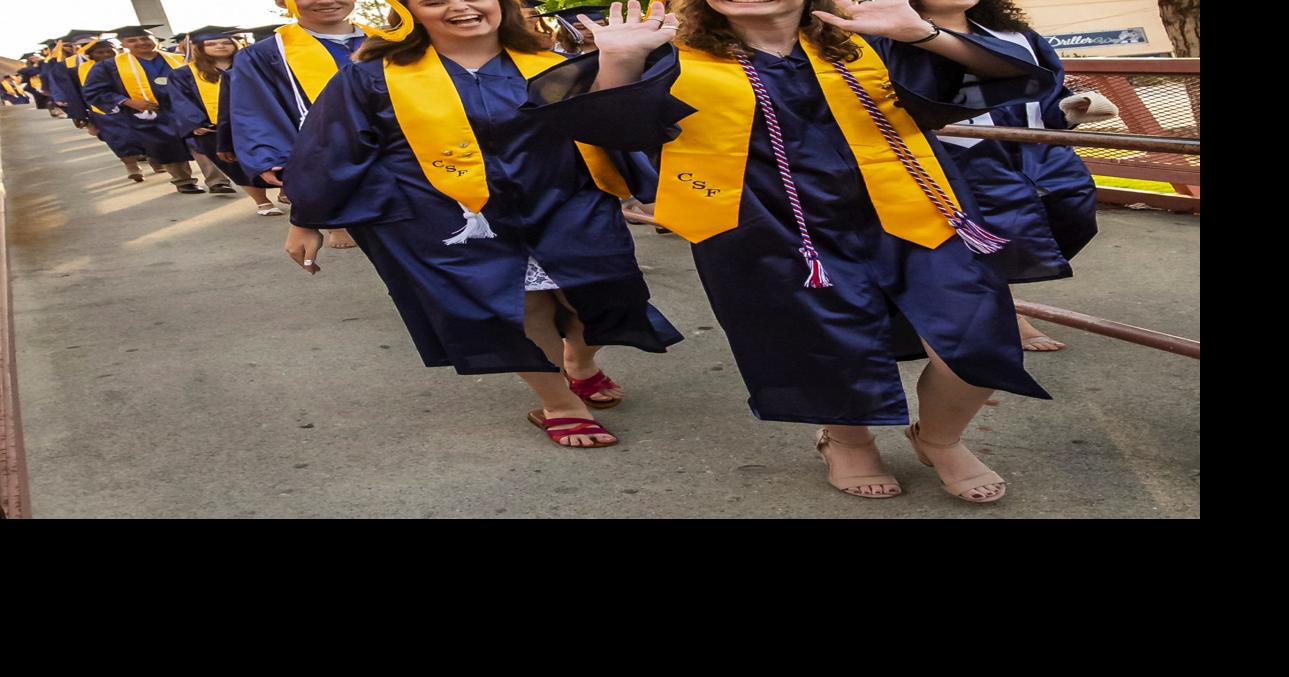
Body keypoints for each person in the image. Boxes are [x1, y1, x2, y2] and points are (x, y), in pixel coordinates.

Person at [527, 0, 1058, 501]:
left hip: (915, 210)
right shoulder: (668, 54)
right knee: (819, 341)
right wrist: (619, 59)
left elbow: (1009, 76)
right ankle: (848, 441)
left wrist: (923, 32)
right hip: (768, 226)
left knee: (979, 334)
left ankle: (939, 437)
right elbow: (610, 130)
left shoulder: (867, 41)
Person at [283, 0, 683, 447]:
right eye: (435, 0)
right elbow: (331, 146)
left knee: (605, 289)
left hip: (564, 201)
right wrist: (307, 217)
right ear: (408, 10)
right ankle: (560, 402)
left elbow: (614, 124)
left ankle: (580, 362)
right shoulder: (372, 76)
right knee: (511, 307)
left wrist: (622, 60)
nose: (461, 6)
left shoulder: (553, 64)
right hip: (449, 214)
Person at [918, 0, 1117, 351]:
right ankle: (1002, 317)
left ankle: (993, 313)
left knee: (1072, 216)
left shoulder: (1016, 36)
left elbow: (1045, 94)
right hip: (959, 158)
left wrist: (1070, 110)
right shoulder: (886, 42)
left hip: (1039, 158)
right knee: (981, 238)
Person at [230, 0, 371, 248]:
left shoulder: (395, 41)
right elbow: (254, 108)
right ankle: (337, 223)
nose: (326, 1)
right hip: (326, 155)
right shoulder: (266, 54)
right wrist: (268, 155)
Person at [82, 25, 216, 194]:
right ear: (123, 44)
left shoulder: (180, 59)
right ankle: (184, 181)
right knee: (165, 146)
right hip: (149, 114)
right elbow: (94, 92)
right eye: (133, 40)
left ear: (154, 39)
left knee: (201, 143)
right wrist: (128, 101)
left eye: (145, 38)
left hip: (185, 109)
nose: (141, 42)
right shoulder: (108, 67)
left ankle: (217, 181)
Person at [170, 26, 285, 215]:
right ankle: (262, 201)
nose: (220, 46)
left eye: (226, 42)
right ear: (198, 47)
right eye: (212, 43)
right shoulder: (183, 74)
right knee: (236, 166)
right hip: (214, 130)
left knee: (276, 159)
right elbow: (181, 101)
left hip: (257, 125)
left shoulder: (252, 66)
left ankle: (285, 192)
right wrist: (195, 123)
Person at [53, 37, 153, 182]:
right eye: (100, 52)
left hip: (138, 106)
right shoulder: (77, 71)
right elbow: (75, 95)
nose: (105, 55)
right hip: (103, 111)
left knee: (149, 136)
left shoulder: (130, 64)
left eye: (109, 51)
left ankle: (155, 161)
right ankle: (132, 167)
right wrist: (82, 117)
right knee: (119, 140)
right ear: (90, 55)